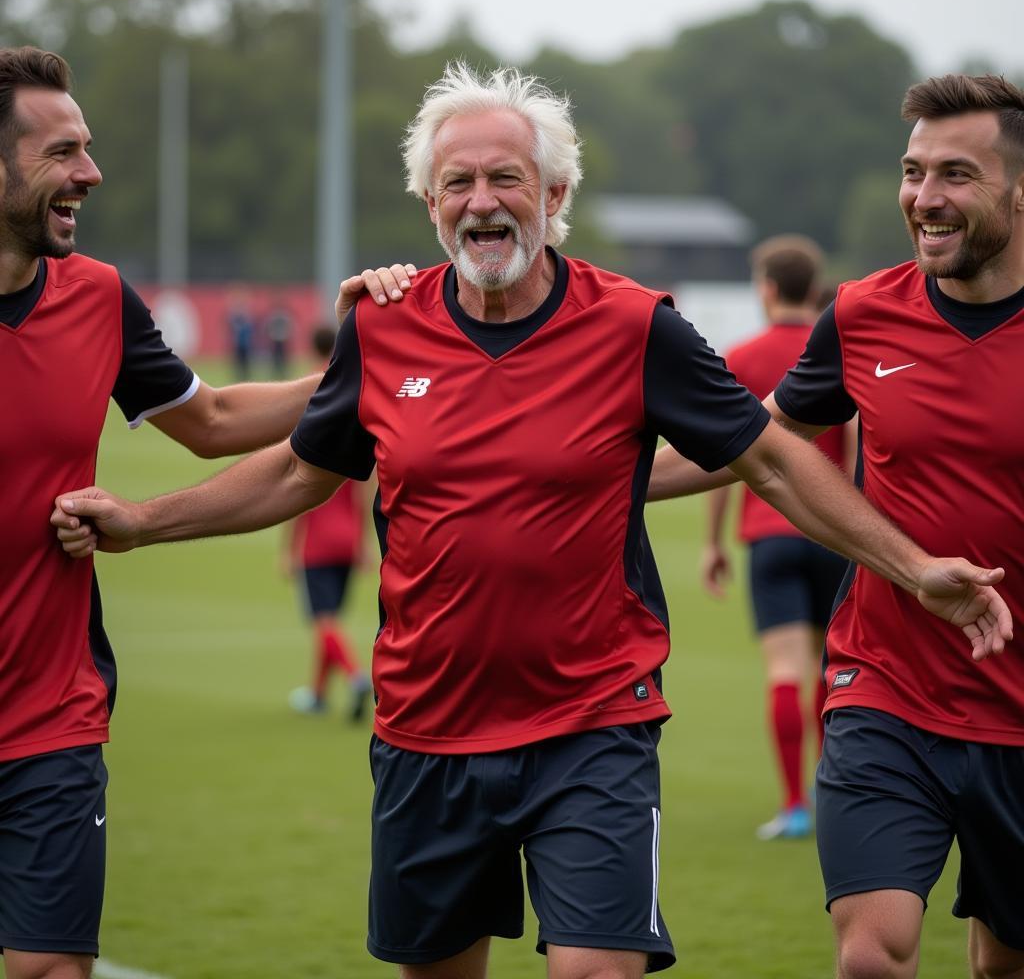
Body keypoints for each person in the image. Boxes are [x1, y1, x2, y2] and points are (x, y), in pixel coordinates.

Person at [51, 63, 1012, 979]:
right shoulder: (381, 330)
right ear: (429, 205)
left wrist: (913, 567)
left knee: (600, 965)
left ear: (554, 195)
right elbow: (297, 476)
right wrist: (144, 519)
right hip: (428, 728)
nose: (481, 201)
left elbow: (770, 459)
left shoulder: (639, 327)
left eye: (507, 178)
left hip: (593, 723)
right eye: (456, 182)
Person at [649, 74, 1024, 979]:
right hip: (884, 689)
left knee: (1002, 963)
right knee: (871, 957)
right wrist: (593, 480)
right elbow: (757, 441)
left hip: (1017, 715)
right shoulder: (862, 314)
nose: (924, 199)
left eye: (956, 175)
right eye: (912, 171)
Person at [0, 45, 332, 979]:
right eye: (61, 152)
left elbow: (215, 422)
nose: (90, 173)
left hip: (50, 716)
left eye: (89, 149)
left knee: (52, 970)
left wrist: (368, 364)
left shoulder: (99, 298)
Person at [700, 235, 848, 842]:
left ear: (766, 288)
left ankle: (793, 805)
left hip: (769, 533)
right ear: (814, 289)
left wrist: (713, 541)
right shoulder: (836, 347)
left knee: (784, 669)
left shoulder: (741, 355)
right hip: (836, 533)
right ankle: (830, 788)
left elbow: (717, 454)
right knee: (829, 669)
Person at [285, 324, 372, 721]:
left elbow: (296, 479)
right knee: (332, 618)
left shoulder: (315, 392)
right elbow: (368, 479)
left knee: (323, 620)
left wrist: (289, 549)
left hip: (318, 537)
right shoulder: (358, 384)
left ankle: (356, 678)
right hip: (350, 533)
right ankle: (319, 694)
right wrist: (366, 540)